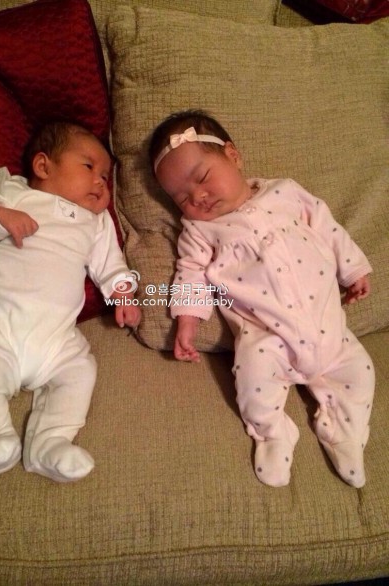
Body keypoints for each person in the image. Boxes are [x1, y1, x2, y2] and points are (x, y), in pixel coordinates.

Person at [149, 109, 375, 488]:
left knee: (361, 373)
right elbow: (190, 272)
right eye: (182, 197)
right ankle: (272, 433)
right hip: (266, 337)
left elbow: (327, 226)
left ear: (233, 156)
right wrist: (186, 320)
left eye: (202, 178)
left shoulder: (285, 192)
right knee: (253, 383)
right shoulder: (201, 231)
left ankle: (345, 431)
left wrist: (352, 269)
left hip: (328, 325)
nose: (198, 197)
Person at [0, 121, 141, 482]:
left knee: (81, 371)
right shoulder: (9, 190)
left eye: (105, 176)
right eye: (89, 167)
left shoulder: (95, 221)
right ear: (43, 166)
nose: (101, 181)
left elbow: (110, 263)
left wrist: (123, 294)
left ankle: (51, 442)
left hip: (57, 338)